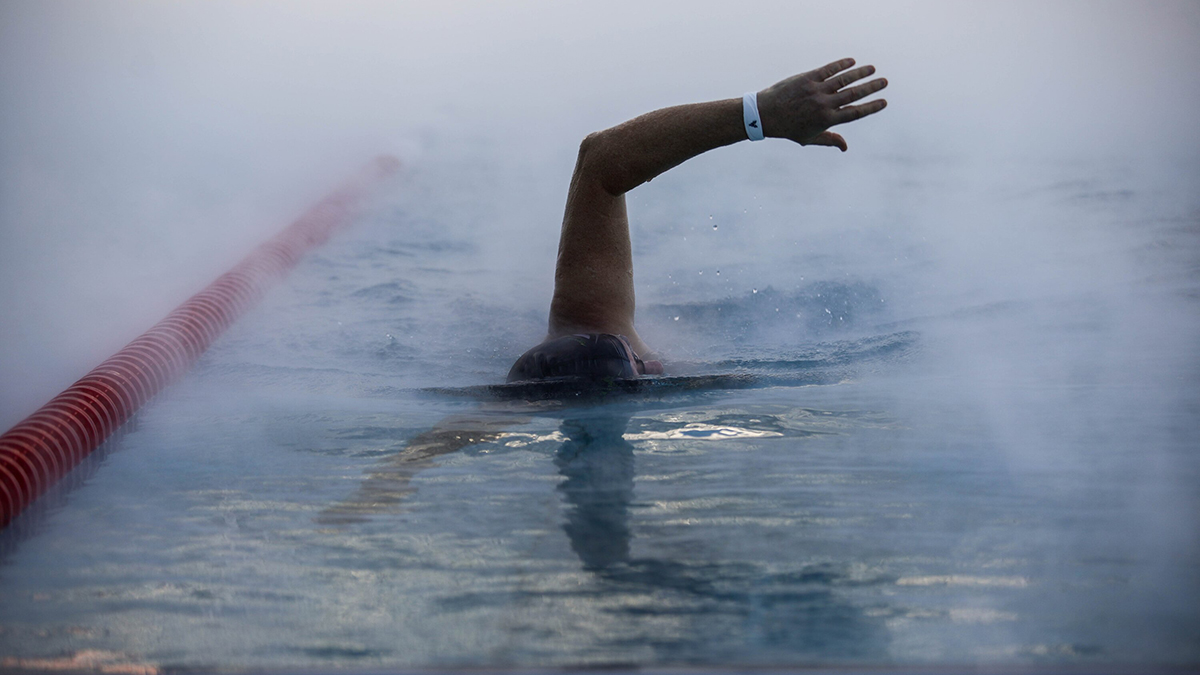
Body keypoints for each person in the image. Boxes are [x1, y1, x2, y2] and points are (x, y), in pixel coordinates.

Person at [507, 58, 887, 383]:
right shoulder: (589, 339)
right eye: (636, 361)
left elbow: (600, 159)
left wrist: (759, 114)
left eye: (635, 355)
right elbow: (601, 159)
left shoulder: (587, 324)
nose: (654, 363)